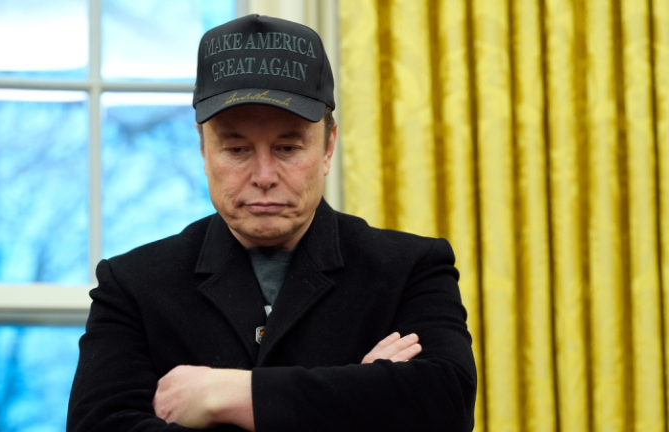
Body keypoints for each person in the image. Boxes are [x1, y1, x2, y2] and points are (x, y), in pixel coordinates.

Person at [67, 14, 477, 432]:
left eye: (287, 147)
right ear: (204, 149)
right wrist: (357, 397)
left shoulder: (410, 268)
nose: (264, 176)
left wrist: (222, 394)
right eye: (237, 149)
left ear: (327, 147)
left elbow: (446, 408)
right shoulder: (132, 285)